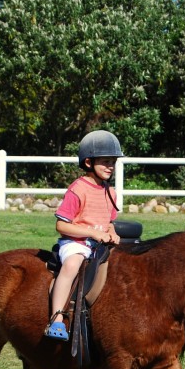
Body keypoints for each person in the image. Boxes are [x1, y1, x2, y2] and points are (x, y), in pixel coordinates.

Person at [44, 130, 124, 340]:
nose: (110, 166)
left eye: (112, 162)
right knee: (72, 265)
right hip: (76, 242)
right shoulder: (77, 189)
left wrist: (112, 232)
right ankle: (57, 319)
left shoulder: (111, 192)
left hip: (100, 244)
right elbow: (62, 225)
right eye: (105, 161)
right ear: (88, 162)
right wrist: (91, 232)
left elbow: (109, 221)